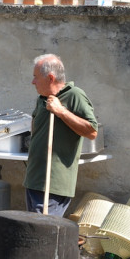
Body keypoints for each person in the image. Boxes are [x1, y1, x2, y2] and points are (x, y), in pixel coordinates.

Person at [23, 54, 98, 217]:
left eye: (35, 77)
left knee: (42, 233)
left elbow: (92, 131)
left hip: (53, 183)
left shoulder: (74, 95)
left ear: (50, 77)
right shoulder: (43, 99)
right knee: (34, 231)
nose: (33, 82)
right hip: (35, 179)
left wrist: (61, 111)